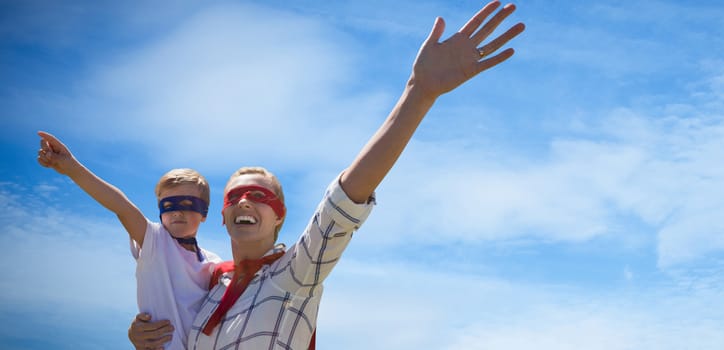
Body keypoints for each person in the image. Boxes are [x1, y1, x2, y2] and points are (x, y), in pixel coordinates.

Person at [128, 1, 525, 349]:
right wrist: (141, 335)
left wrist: (418, 93)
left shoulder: (293, 276)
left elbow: (343, 203)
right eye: (234, 197)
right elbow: (168, 318)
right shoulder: (207, 291)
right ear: (222, 217)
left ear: (280, 215)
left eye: (259, 196)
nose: (245, 200)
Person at [36, 131, 223, 350]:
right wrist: (72, 168)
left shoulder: (214, 263)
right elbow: (121, 206)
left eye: (188, 204)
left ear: (205, 213)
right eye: (168, 206)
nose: (177, 213)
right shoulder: (155, 241)